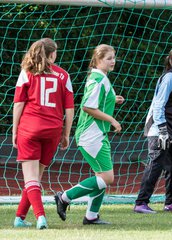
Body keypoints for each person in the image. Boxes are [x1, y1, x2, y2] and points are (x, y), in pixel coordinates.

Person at [54, 44, 124, 225]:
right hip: (91, 135)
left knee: (100, 176)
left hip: (97, 134)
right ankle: (65, 197)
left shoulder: (100, 77)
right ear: (98, 59)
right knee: (107, 178)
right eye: (109, 58)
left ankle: (91, 216)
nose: (113, 61)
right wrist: (112, 119)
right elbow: (88, 107)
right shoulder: (98, 79)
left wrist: (112, 100)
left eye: (114, 57)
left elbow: (96, 101)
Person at [12, 38, 74, 229]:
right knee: (35, 178)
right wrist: (66, 134)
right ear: (52, 54)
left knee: (30, 179)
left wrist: (15, 130)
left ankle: (41, 217)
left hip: (30, 128)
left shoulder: (27, 72)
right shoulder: (64, 75)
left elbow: (19, 103)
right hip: (53, 130)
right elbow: (70, 108)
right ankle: (19, 218)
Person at [133, 46, 172, 214]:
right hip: (159, 130)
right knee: (156, 164)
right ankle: (141, 203)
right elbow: (159, 105)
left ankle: (170, 203)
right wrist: (163, 130)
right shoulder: (169, 78)